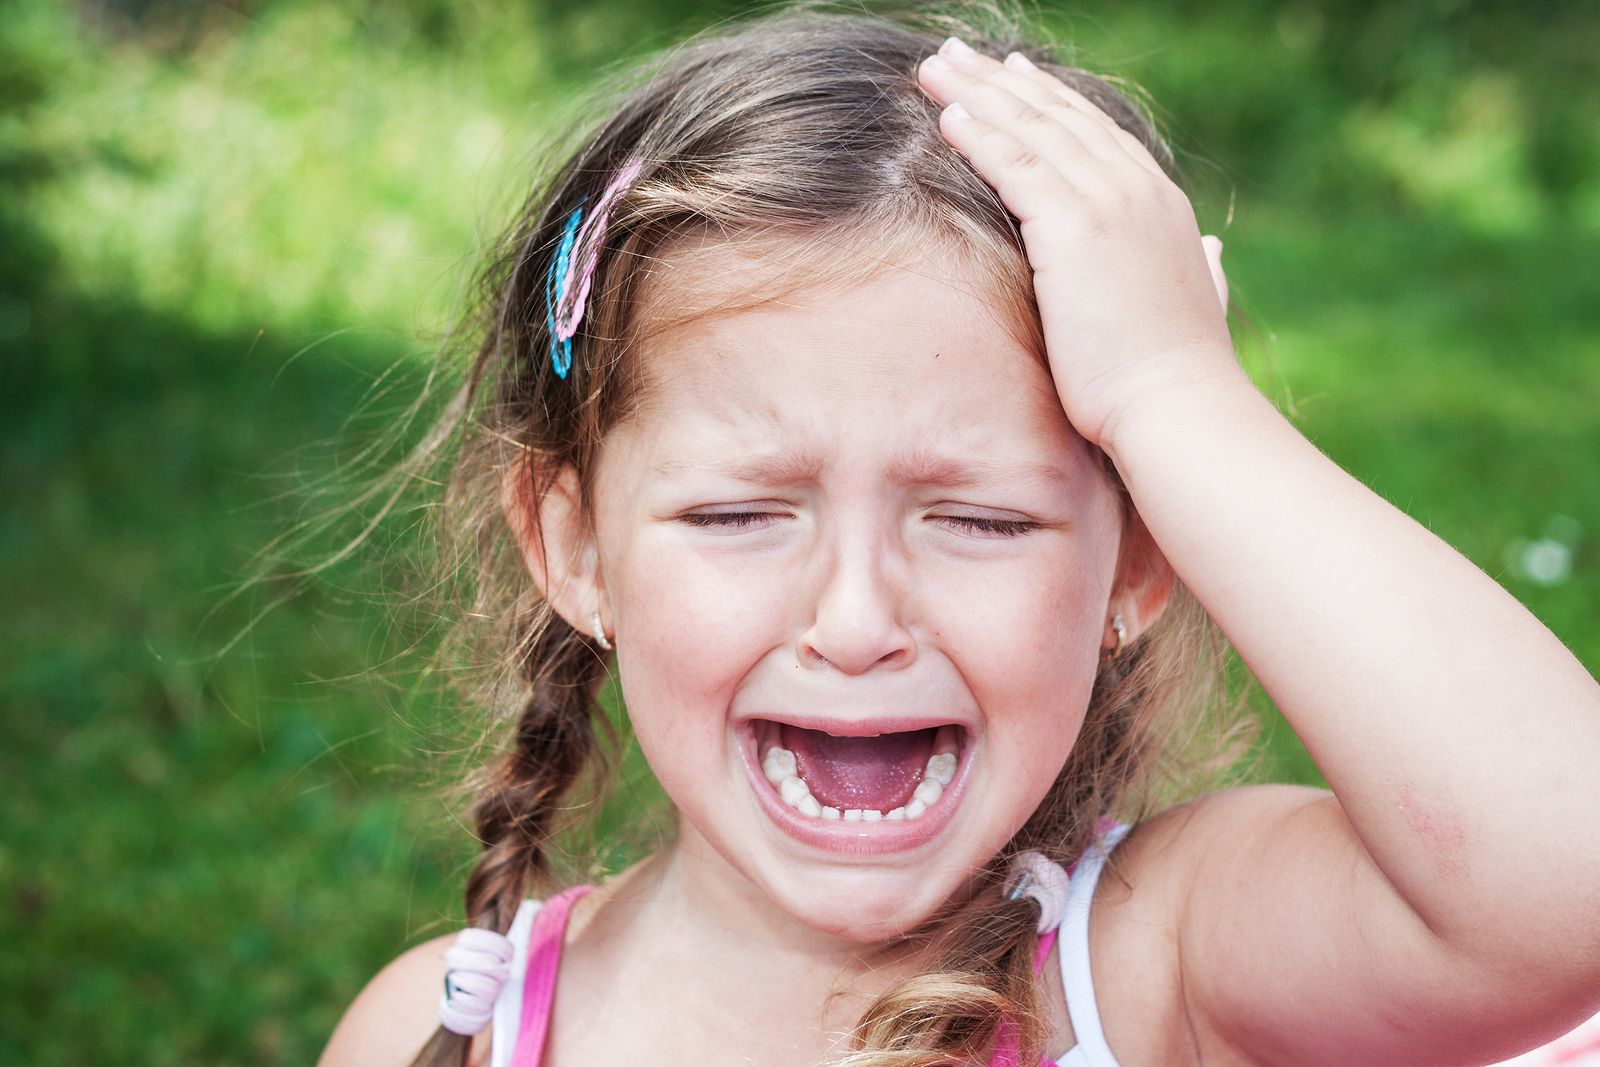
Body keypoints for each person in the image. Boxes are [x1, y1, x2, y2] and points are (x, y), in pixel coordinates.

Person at [316, 10, 1600, 1067]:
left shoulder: (1152, 964)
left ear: (1139, 561)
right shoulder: (444, 1028)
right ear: (576, 548)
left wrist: (1172, 396)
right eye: (738, 514)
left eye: (981, 518)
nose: (859, 620)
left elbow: (1563, 876)